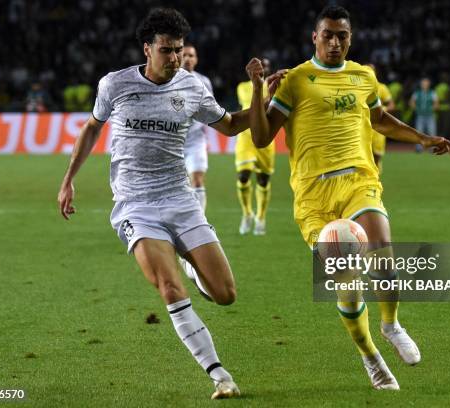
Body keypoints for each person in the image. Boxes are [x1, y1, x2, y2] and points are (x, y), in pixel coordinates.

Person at [57, 8, 282, 400]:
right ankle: (219, 375)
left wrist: (261, 92)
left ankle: (192, 268)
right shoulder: (115, 85)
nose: (174, 58)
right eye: (166, 50)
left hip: (180, 199)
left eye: (178, 50)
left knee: (225, 294)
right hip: (135, 204)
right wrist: (68, 180)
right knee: (169, 287)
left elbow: (229, 126)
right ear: (148, 49)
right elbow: (92, 126)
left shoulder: (192, 87)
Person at [245, 5, 450, 390]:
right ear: (315, 38)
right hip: (312, 195)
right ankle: (369, 355)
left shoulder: (363, 76)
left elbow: (380, 120)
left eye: (342, 35)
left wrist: (422, 138)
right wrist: (258, 90)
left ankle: (391, 324)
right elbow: (260, 137)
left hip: (358, 179)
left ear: (350, 38)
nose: (335, 42)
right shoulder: (295, 81)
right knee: (348, 280)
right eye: (328, 35)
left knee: (382, 249)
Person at [235, 58, 275, 235]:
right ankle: (247, 214)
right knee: (243, 175)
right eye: (259, 66)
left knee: (263, 180)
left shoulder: (274, 86)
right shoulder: (242, 87)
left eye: (265, 67)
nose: (262, 69)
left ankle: (261, 217)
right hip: (245, 137)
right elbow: (255, 106)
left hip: (266, 137)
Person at [181, 43, 216, 210]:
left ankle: (200, 222)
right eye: (184, 54)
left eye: (191, 55)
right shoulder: (166, 80)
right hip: (172, 141)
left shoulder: (204, 82)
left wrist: (207, 138)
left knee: (197, 180)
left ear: (196, 60)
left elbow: (211, 111)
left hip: (195, 140)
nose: (187, 58)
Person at [367, 64, 395, 172]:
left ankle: (376, 174)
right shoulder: (358, 88)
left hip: (378, 126)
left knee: (377, 154)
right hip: (363, 126)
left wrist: (384, 109)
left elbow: (392, 105)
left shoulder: (381, 88)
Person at [410, 77, 439, 152]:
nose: (425, 85)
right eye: (423, 83)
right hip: (420, 115)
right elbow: (412, 102)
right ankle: (419, 148)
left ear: (429, 84)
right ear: (421, 84)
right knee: (419, 132)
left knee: (432, 132)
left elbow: (436, 103)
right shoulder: (417, 93)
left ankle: (432, 148)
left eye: (426, 83)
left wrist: (432, 108)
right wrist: (416, 109)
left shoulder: (432, 93)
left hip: (430, 115)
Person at [435, 73, 450, 140]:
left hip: (439, 108)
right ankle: (445, 139)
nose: (448, 79)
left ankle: (440, 138)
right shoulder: (447, 87)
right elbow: (449, 98)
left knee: (440, 125)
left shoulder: (437, 87)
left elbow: (436, 99)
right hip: (447, 108)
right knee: (447, 125)